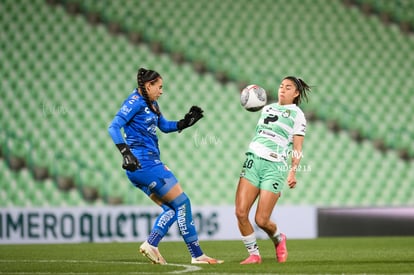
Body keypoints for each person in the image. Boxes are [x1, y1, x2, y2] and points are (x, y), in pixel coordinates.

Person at [108, 67, 223, 265]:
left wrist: (183, 123)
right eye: (159, 87)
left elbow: (164, 126)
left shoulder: (152, 104)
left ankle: (151, 244)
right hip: (143, 163)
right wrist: (126, 153)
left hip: (143, 166)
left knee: (171, 209)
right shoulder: (134, 102)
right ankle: (197, 255)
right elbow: (113, 126)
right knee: (183, 203)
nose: (161, 91)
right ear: (148, 85)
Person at [235, 76, 311, 264]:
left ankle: (278, 238)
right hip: (253, 161)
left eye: (288, 87)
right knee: (241, 212)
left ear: (296, 93)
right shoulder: (267, 108)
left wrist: (293, 171)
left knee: (261, 220)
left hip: (275, 167)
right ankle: (254, 255)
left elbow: (297, 148)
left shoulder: (298, 115)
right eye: (281, 86)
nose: (282, 90)